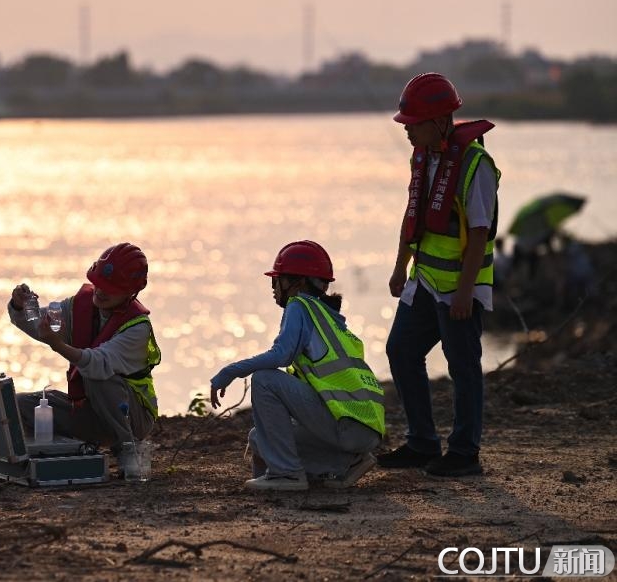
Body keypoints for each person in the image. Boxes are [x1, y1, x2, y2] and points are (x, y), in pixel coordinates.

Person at [378, 73, 500, 477]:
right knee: (401, 351)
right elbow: (412, 216)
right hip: (425, 281)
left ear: (440, 121)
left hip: (458, 290)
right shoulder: (422, 158)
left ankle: (465, 452)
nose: (407, 130)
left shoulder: (475, 166)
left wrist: (465, 293)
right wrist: (400, 267)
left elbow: (479, 232)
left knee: (463, 366)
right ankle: (422, 443)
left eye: (414, 123)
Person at [209, 241, 384, 492]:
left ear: (298, 283)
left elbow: (280, 355)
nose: (273, 288)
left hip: (347, 425)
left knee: (264, 379)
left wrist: (231, 371)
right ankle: (347, 462)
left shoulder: (299, 305)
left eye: (276, 281)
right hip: (363, 429)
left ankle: (287, 474)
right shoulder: (329, 317)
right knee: (259, 439)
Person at [8, 242, 161, 455]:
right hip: (90, 411)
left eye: (111, 288)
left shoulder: (137, 328)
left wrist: (57, 345)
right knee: (21, 405)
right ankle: (47, 455)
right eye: (98, 283)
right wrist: (19, 306)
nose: (101, 291)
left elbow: (97, 365)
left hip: (133, 418)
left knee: (96, 376)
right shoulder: (79, 307)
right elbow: (39, 324)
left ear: (131, 292)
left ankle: (129, 451)